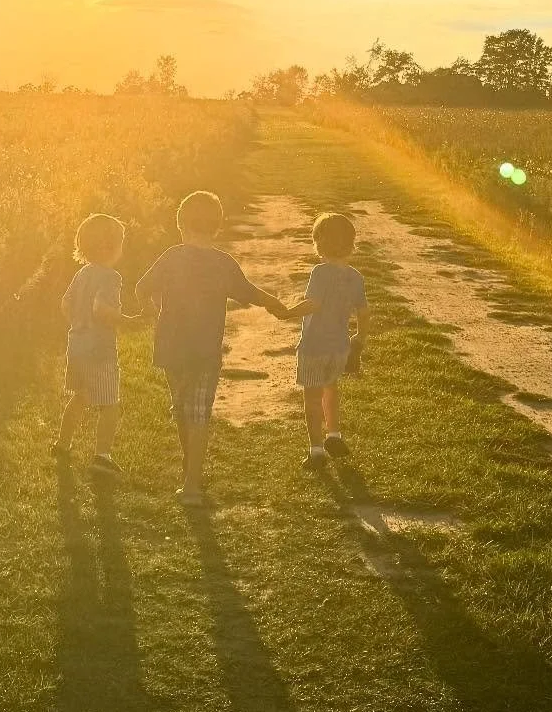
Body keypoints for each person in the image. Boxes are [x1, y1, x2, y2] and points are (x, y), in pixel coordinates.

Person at [136, 191, 291, 505]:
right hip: (204, 352)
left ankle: (189, 470)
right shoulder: (223, 263)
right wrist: (276, 304)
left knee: (182, 408)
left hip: (170, 348)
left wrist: (151, 307)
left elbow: (141, 288)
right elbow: (248, 292)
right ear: (217, 227)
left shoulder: (171, 257)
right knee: (198, 414)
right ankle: (192, 484)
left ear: (180, 225)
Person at [53, 213, 141, 475]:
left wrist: (78, 325)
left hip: (76, 345)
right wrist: (126, 321)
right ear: (109, 247)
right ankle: (102, 456)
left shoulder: (82, 274)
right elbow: (101, 309)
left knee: (80, 396)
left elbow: (65, 304)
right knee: (110, 403)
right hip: (99, 350)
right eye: (121, 243)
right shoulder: (110, 277)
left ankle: (62, 444)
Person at [288, 212, 368, 470]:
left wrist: (287, 312)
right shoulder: (355, 276)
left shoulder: (320, 272)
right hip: (340, 347)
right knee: (330, 388)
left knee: (311, 397)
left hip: (314, 346)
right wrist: (360, 337)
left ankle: (316, 450)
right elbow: (363, 311)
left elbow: (313, 304)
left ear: (319, 242)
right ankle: (334, 435)